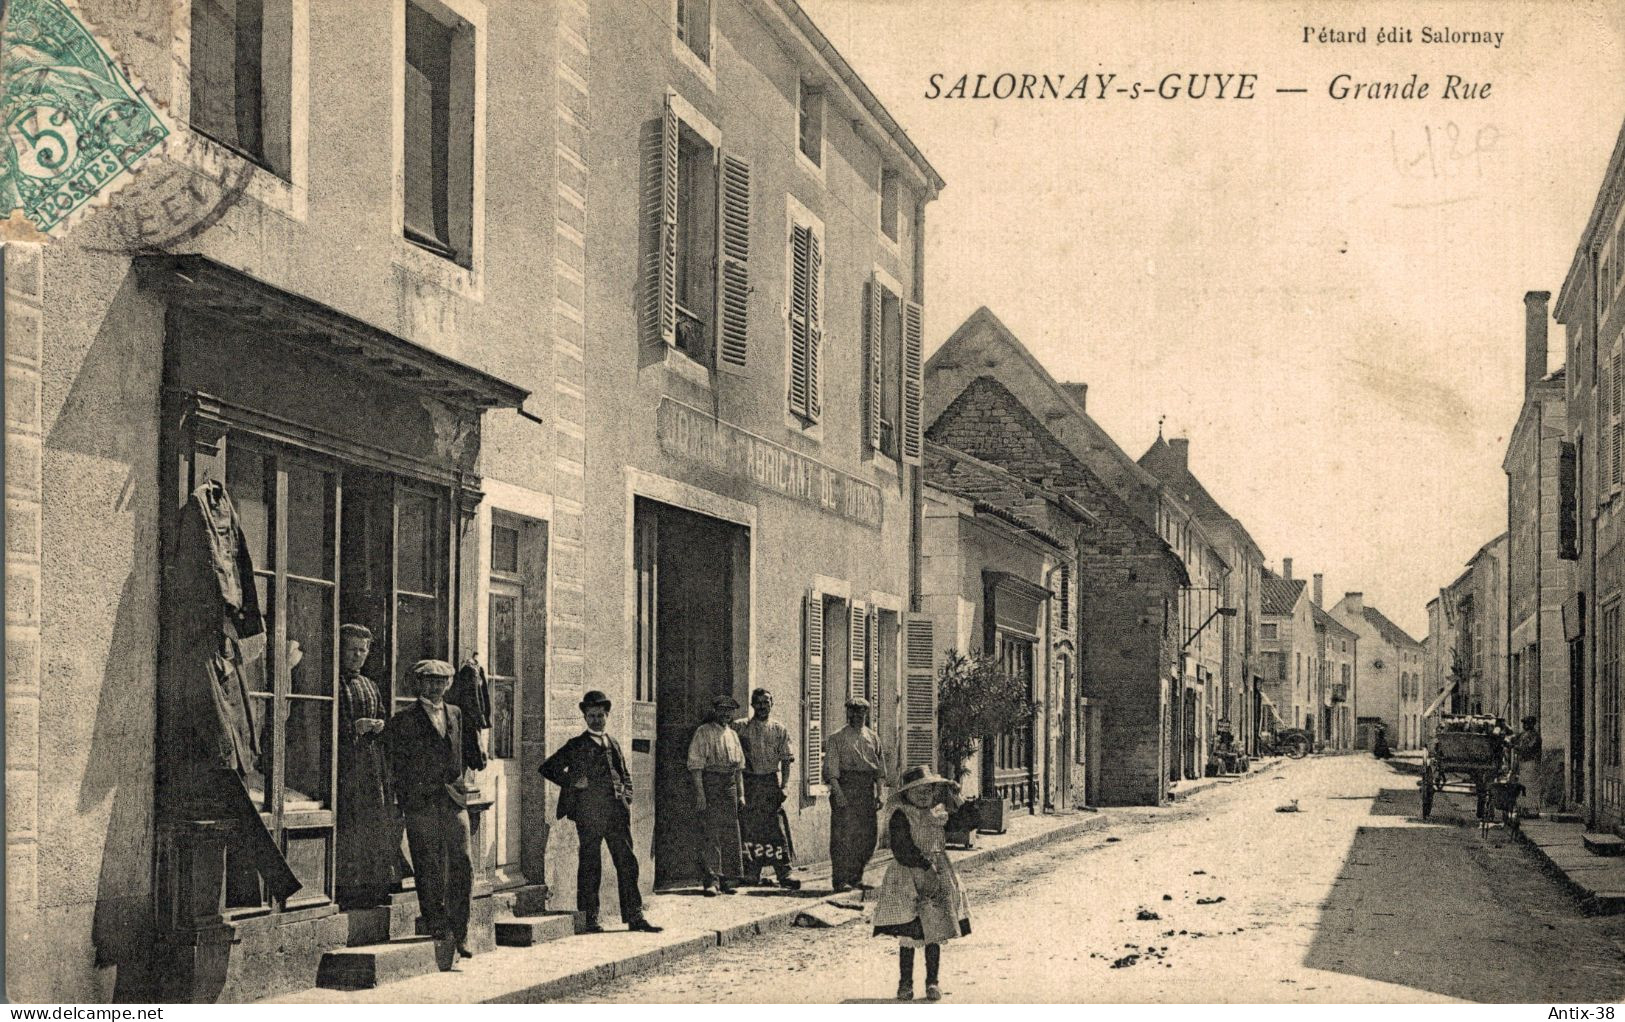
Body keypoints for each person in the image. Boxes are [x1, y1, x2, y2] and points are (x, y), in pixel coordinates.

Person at [385, 660, 486, 969]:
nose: (435, 687)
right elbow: (393, 762)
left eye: (441, 681)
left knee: (462, 861)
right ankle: (436, 923)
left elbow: (471, 754)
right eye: (429, 681)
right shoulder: (404, 720)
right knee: (427, 862)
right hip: (421, 801)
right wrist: (403, 796)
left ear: (449, 684)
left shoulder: (456, 713)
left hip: (454, 798)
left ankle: (461, 929)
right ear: (419, 683)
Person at [541, 691, 662, 933]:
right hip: (589, 814)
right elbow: (547, 767)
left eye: (600, 715)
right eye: (591, 716)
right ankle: (590, 918)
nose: (596, 720)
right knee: (590, 864)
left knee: (627, 862)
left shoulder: (613, 742)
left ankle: (635, 916)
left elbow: (625, 773)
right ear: (585, 717)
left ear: (607, 716)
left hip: (617, 813)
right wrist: (574, 780)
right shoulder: (576, 745)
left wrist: (627, 796)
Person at [872, 765, 972, 1002]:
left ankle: (932, 982)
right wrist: (925, 868)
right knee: (911, 930)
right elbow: (902, 848)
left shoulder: (938, 815)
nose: (924, 795)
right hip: (907, 876)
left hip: (937, 874)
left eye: (928, 790)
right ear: (907, 793)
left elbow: (968, 822)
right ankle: (905, 983)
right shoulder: (901, 814)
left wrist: (958, 798)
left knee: (934, 929)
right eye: (918, 790)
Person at [335, 624, 399, 908]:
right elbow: (320, 728)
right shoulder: (333, 683)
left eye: (362, 650)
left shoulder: (370, 685)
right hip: (344, 768)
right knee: (349, 826)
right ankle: (346, 890)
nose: (357, 656)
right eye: (352, 649)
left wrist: (380, 726)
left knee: (373, 825)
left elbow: (385, 719)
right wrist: (352, 729)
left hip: (372, 769)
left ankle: (372, 889)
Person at [733, 688, 800, 890]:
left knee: (776, 829)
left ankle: (784, 873)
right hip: (750, 782)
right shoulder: (740, 727)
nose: (762, 706)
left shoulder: (779, 729)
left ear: (772, 704)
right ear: (752, 705)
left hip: (770, 782)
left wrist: (785, 786)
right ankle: (752, 872)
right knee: (751, 828)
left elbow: (786, 760)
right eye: (758, 702)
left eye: (766, 702)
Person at [688, 694, 747, 895]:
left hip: (729, 785)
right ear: (715, 711)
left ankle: (730, 878)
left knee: (731, 830)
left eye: (729, 710)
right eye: (721, 709)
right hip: (710, 783)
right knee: (710, 831)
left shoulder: (733, 735)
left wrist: (741, 794)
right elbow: (696, 767)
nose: (725, 714)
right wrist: (701, 794)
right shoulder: (703, 732)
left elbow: (739, 768)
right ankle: (711, 879)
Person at [826, 697, 886, 892]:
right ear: (848, 713)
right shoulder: (837, 738)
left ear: (866, 714)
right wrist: (839, 794)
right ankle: (840, 879)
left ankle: (856, 877)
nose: (858, 716)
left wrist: (879, 794)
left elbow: (879, 770)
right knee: (843, 836)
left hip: (865, 790)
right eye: (854, 711)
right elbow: (831, 770)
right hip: (845, 787)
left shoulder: (872, 737)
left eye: (862, 712)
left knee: (867, 836)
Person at [1513, 715, 1542, 818]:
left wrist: (1517, 748)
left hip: (1531, 763)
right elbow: (1514, 740)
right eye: (1524, 723)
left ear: (1531, 724)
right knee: (1523, 788)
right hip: (1523, 764)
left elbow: (1528, 748)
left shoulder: (1535, 736)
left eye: (1526, 723)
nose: (1524, 725)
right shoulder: (1522, 735)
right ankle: (1523, 810)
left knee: (1531, 788)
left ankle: (1532, 811)